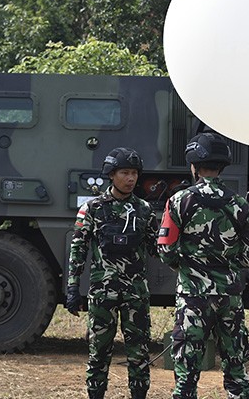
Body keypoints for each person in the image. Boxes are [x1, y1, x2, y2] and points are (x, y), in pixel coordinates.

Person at [157, 132, 249, 399]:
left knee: (186, 376)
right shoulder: (239, 204)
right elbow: (248, 255)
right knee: (236, 371)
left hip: (193, 296)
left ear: (193, 166)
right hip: (229, 297)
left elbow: (165, 248)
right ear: (222, 166)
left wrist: (187, 268)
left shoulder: (180, 200)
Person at [66, 147, 158, 399]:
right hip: (102, 294)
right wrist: (73, 287)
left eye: (134, 173)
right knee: (98, 353)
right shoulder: (93, 209)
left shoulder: (145, 210)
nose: (131, 179)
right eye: (125, 173)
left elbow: (157, 249)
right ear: (111, 175)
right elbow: (78, 248)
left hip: (135, 295)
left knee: (138, 354)